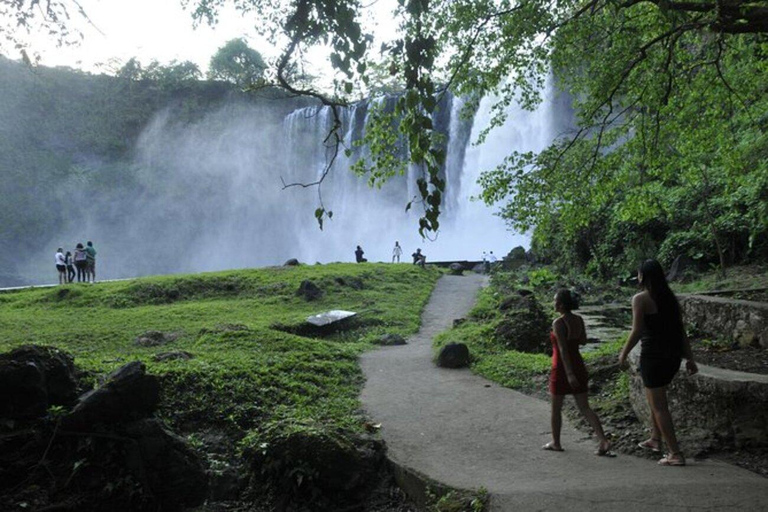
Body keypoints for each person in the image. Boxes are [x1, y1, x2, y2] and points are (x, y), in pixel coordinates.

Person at [618, 259, 698, 466]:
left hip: (653, 358)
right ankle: (655, 439)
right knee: (655, 400)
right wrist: (690, 358)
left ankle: (675, 453)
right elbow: (681, 331)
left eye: (638, 274)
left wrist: (623, 353)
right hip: (671, 358)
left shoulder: (640, 299)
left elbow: (636, 331)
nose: (637, 277)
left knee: (659, 406)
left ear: (643, 276)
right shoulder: (670, 298)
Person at [543, 288, 613, 456]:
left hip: (561, 368)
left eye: (555, 301)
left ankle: (556, 442)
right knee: (585, 407)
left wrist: (569, 374)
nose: (553, 303)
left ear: (560, 304)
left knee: (556, 408)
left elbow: (562, 350)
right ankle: (603, 440)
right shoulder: (579, 319)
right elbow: (582, 341)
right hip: (578, 364)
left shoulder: (558, 323)